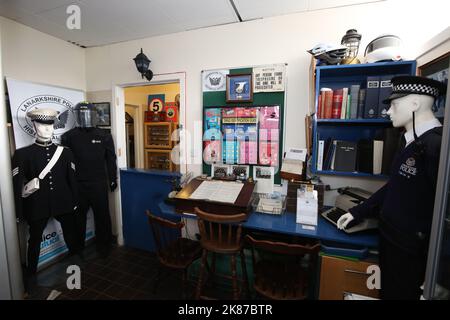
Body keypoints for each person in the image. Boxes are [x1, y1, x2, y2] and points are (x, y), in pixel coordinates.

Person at [337, 76, 446, 299]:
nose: (388, 111)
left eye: (394, 105)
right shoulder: (410, 141)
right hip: (391, 241)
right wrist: (357, 212)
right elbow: (393, 187)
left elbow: (448, 216)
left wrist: (442, 275)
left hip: (411, 251)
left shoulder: (437, 145)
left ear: (415, 104)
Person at [11, 108, 80, 291]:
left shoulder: (65, 153)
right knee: (34, 242)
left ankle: (76, 272)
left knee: (71, 236)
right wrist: (19, 212)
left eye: (50, 125)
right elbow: (16, 186)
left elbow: (72, 180)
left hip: (63, 202)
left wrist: (75, 202)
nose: (48, 129)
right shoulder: (22, 155)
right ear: (34, 126)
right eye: (42, 125)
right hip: (37, 205)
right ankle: (31, 278)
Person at [61, 101, 117, 258]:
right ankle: (77, 248)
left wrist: (113, 179)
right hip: (78, 185)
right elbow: (64, 163)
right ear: (77, 115)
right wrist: (66, 184)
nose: (85, 117)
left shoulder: (104, 135)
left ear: (94, 115)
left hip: (98, 183)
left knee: (102, 216)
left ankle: (104, 245)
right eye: (82, 114)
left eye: (88, 114)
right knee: (78, 219)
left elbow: (111, 159)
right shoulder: (68, 137)